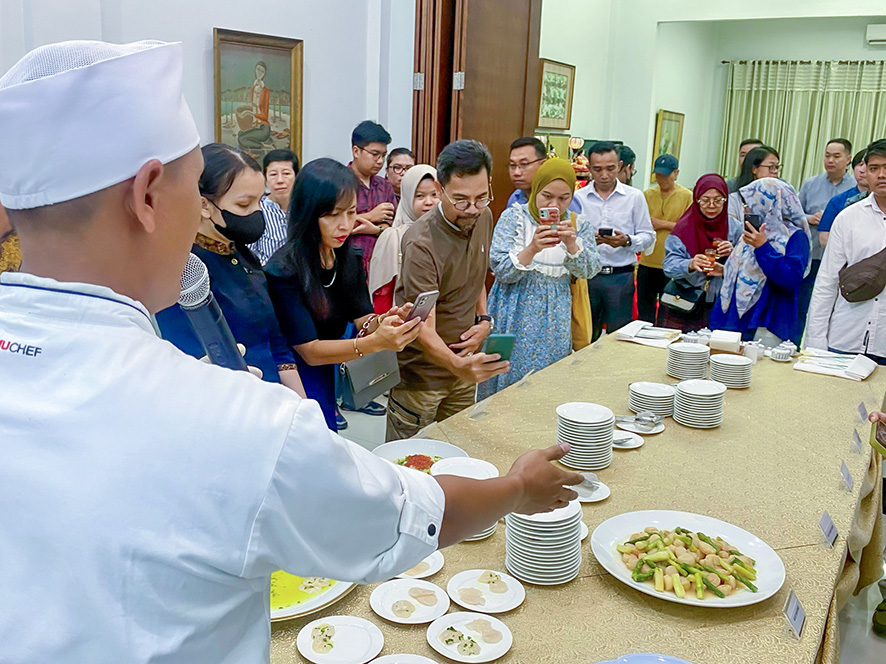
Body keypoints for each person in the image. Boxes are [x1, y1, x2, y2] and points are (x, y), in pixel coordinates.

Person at [0, 39, 585, 664]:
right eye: (195, 189)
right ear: (148, 197)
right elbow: (408, 517)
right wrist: (519, 487)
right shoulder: (227, 419)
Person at [264, 158, 421, 431]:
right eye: (333, 215)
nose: (345, 225)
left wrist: (384, 322)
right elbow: (309, 351)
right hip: (293, 376)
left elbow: (362, 315)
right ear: (308, 213)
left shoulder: (346, 255)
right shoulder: (284, 270)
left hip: (327, 368)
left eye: (351, 213)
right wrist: (374, 343)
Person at [154, 143, 304, 394]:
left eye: (259, 201)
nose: (257, 213)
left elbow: (275, 342)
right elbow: (192, 356)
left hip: (272, 396)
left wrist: (301, 403)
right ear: (204, 205)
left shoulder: (243, 255)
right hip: (224, 399)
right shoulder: (184, 271)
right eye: (245, 205)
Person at [386, 140, 509, 441]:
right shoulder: (421, 243)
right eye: (461, 200)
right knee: (409, 464)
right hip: (422, 379)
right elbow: (420, 325)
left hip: (463, 368)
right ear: (440, 190)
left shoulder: (484, 217)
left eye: (482, 197)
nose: (472, 209)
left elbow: (475, 273)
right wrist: (457, 365)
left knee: (455, 456)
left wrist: (483, 320)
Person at [479, 159, 601, 398]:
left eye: (564, 198)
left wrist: (571, 244)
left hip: (555, 321)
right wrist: (532, 248)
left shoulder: (578, 225)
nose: (554, 205)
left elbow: (590, 270)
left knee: (547, 385)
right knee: (504, 380)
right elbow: (500, 270)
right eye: (546, 196)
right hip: (512, 312)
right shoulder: (513, 218)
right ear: (536, 189)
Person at [806, 141, 886, 362]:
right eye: (874, 168)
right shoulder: (848, 218)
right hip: (846, 338)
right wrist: (816, 343)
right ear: (864, 172)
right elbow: (827, 282)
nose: (881, 175)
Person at [710, 178, 811, 345]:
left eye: (751, 202)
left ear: (770, 203)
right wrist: (725, 270)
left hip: (767, 318)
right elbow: (747, 269)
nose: (747, 209)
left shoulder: (795, 237)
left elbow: (791, 277)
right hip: (733, 318)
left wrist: (763, 246)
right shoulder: (753, 232)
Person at [574, 141, 655, 341]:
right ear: (589, 168)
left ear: (619, 166)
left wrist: (627, 240)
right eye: (598, 169)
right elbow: (568, 237)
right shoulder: (578, 197)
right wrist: (586, 240)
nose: (604, 175)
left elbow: (648, 236)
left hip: (621, 276)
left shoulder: (634, 197)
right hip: (587, 278)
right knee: (584, 336)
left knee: (618, 338)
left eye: (610, 169)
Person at [661, 174, 741, 332]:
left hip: (722, 301)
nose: (712, 205)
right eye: (705, 200)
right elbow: (668, 266)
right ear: (696, 200)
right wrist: (690, 264)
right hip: (686, 300)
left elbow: (748, 265)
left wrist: (734, 254)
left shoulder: (735, 228)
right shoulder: (683, 229)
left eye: (718, 200)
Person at [797, 138, 856, 331]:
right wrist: (809, 218)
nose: (830, 160)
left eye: (836, 156)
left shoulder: (856, 187)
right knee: (803, 304)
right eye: (827, 155)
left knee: (834, 307)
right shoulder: (810, 184)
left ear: (848, 159)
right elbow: (794, 214)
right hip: (812, 254)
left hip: (843, 258)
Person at [369, 164, 439, 313]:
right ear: (407, 197)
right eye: (419, 196)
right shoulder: (392, 237)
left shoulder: (446, 235)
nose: (429, 202)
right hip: (401, 322)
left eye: (434, 195)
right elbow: (383, 294)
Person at [638, 154, 693, 324]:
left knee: (667, 310)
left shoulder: (687, 196)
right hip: (647, 262)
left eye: (666, 175)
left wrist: (664, 224)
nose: (661, 180)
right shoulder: (647, 195)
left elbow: (690, 228)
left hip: (671, 263)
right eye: (658, 175)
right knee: (644, 310)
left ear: (676, 173)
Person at [348, 120, 399, 276]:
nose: (380, 161)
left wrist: (376, 229)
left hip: (381, 268)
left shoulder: (385, 186)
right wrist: (371, 216)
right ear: (356, 151)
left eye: (383, 155)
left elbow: (395, 228)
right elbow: (330, 225)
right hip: (348, 266)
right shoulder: (340, 183)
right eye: (375, 154)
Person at [248, 148, 299, 265]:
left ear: (296, 176)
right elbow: (249, 255)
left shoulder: (304, 208)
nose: (280, 180)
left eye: (286, 173)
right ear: (265, 179)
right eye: (273, 174)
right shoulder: (256, 210)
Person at [506, 136, 581, 213]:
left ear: (542, 164)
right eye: (512, 165)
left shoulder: (564, 200)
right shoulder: (515, 197)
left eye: (524, 164)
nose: (516, 173)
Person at [819, 148, 870, 248]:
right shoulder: (838, 201)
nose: (862, 170)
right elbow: (824, 237)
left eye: (869, 166)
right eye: (859, 164)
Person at [727, 145, 780, 220]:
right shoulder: (734, 199)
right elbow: (732, 229)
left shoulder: (782, 196)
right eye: (771, 167)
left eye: (777, 167)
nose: (775, 172)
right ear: (754, 169)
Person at [237, 61, 272, 152]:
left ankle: (262, 146)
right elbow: (253, 107)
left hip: (263, 127)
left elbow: (264, 116)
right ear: (255, 70)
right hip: (255, 126)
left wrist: (251, 114)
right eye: (258, 69)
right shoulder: (253, 89)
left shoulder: (266, 91)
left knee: (242, 139)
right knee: (240, 134)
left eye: (262, 71)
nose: (259, 73)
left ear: (264, 74)